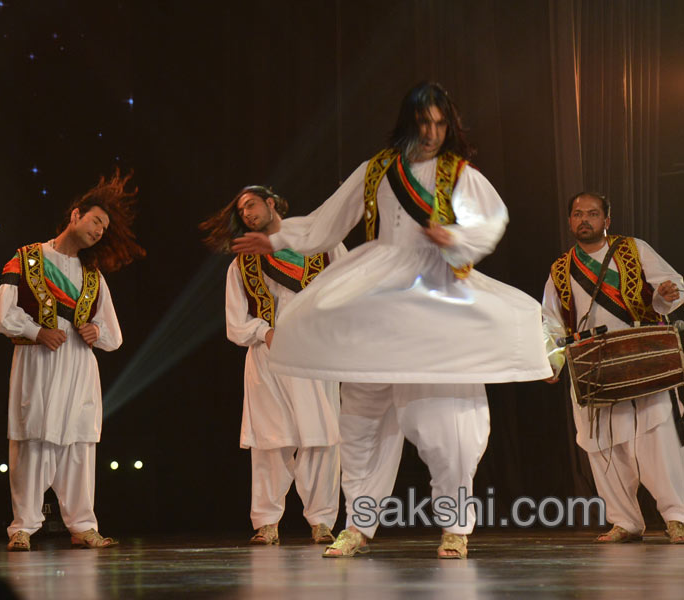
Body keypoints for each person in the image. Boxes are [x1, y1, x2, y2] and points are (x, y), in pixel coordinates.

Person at [232, 82, 551, 559]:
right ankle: (358, 526)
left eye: (442, 123)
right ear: (408, 121)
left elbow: (491, 222)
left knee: (448, 424)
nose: (433, 132)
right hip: (378, 293)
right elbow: (324, 224)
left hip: (437, 296)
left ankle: (455, 526)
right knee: (362, 419)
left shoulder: (459, 174)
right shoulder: (375, 169)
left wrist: (457, 237)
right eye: (425, 122)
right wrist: (277, 240)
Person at [0, 170, 144, 551]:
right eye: (96, 221)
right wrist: (36, 332)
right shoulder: (28, 258)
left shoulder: (93, 277)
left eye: (104, 228)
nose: (99, 231)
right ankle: (23, 527)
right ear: (76, 215)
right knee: (31, 442)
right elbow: (1, 310)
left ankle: (83, 525)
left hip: (78, 369)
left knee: (78, 445)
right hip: (38, 364)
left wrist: (96, 333)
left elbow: (113, 334)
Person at [201, 185, 344, 545]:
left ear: (270, 202)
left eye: (250, 204)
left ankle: (322, 520)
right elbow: (236, 323)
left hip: (315, 356)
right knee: (270, 442)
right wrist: (264, 333)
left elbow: (348, 290)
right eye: (241, 211)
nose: (247, 213)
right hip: (268, 359)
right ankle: (266, 522)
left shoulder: (321, 245)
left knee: (322, 439)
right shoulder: (243, 263)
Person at [542, 191, 684, 544]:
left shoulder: (633, 249)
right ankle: (625, 521)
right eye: (577, 213)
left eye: (592, 213)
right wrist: (552, 361)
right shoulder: (560, 269)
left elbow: (673, 287)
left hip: (640, 358)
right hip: (593, 365)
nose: (584, 219)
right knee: (602, 445)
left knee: (657, 439)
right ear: (570, 220)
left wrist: (665, 294)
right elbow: (550, 322)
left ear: (607, 220)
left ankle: (678, 517)